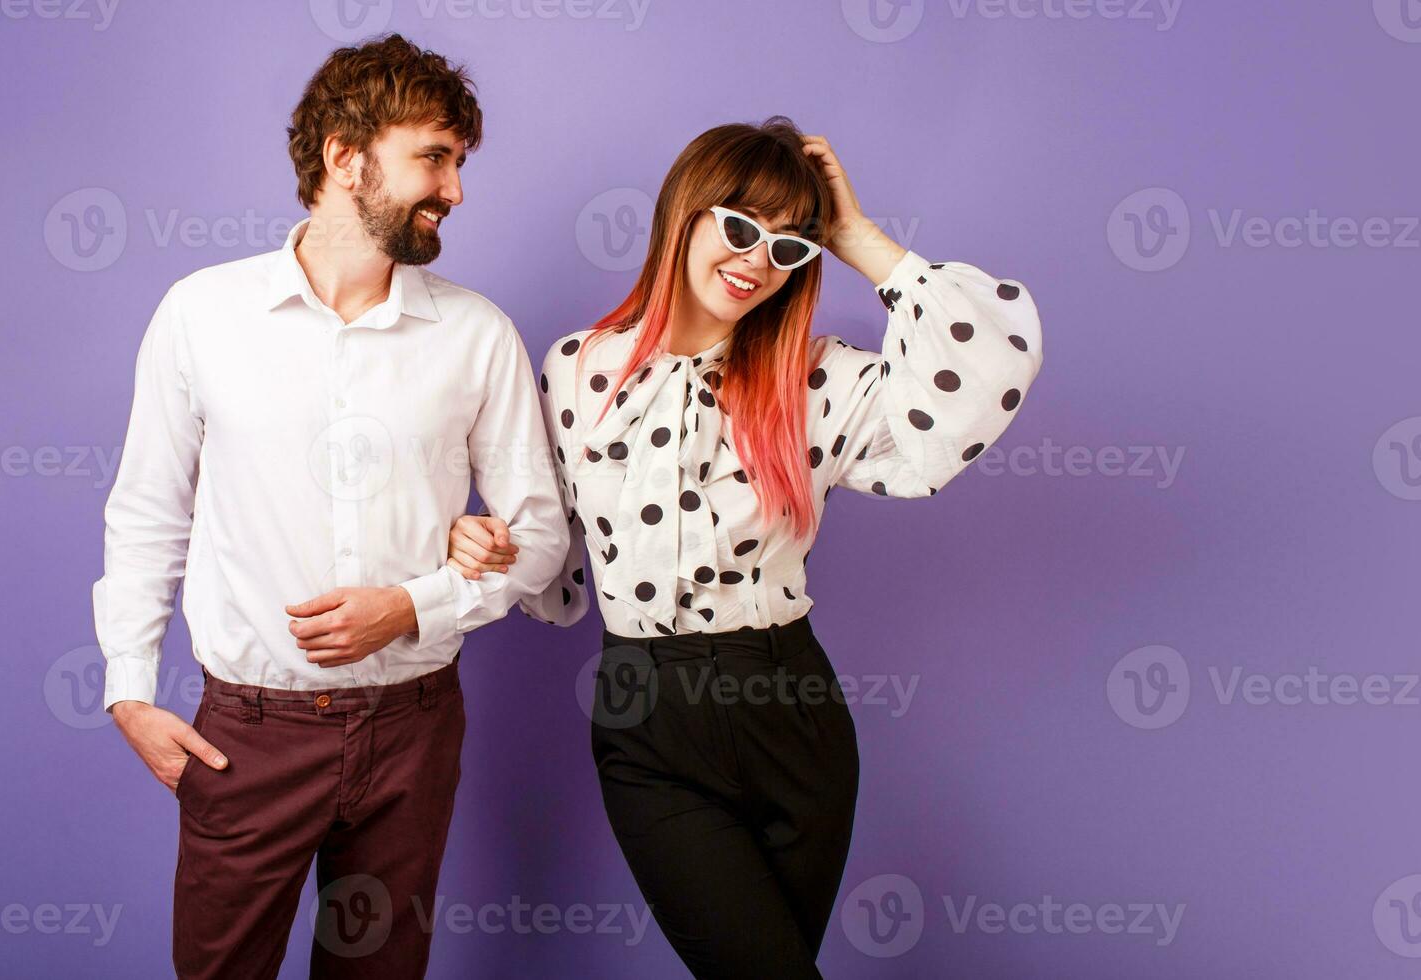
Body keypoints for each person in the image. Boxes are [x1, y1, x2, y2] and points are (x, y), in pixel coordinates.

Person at [445, 117, 1044, 978]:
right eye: (739, 227)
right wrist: (490, 542)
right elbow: (552, 554)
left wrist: (857, 240)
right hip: (647, 720)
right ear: (685, 213)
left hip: (791, 712)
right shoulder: (575, 370)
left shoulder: (816, 380)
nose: (759, 258)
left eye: (791, 247)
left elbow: (987, 369)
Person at [91, 34, 568, 979]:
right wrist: (127, 687)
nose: (456, 190)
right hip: (248, 737)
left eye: (459, 162)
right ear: (345, 158)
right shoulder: (201, 314)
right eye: (432, 157)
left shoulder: (477, 334)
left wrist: (417, 604)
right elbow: (148, 508)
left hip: (416, 729)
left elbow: (544, 537)